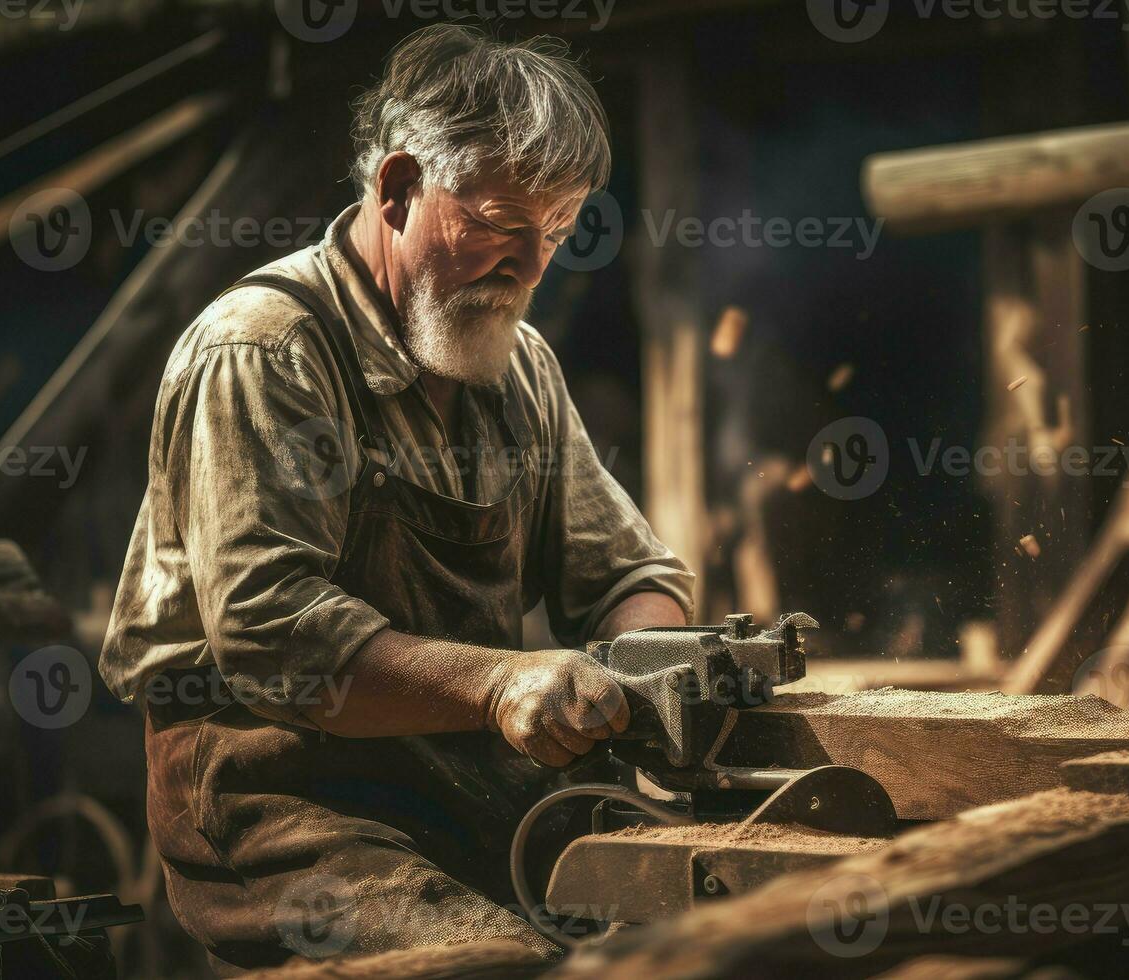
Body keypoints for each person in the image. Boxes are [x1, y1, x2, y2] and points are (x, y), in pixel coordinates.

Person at [100, 24, 694, 974]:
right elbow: (271, 629)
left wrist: (659, 663)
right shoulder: (264, 348)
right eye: (502, 223)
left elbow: (625, 568)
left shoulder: (519, 367)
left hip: (465, 788)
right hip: (284, 808)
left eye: (558, 231)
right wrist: (500, 682)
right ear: (398, 187)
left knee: (688, 936)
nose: (532, 267)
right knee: (497, 967)